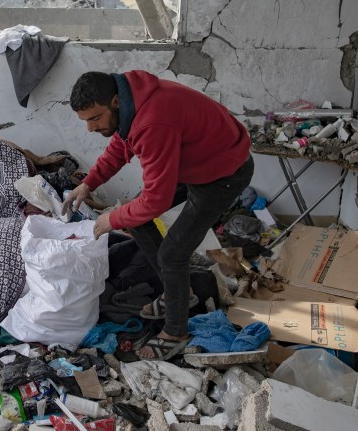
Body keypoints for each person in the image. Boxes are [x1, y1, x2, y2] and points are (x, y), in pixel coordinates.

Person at [62, 71, 253, 360]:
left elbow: (155, 200)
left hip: (222, 172)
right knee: (136, 219)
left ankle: (176, 332)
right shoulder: (132, 102)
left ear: (114, 101)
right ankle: (181, 294)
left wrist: (110, 220)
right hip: (195, 161)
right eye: (86, 120)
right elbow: (120, 147)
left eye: (95, 118)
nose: (90, 128)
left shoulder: (152, 122)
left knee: (172, 254)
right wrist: (89, 183)